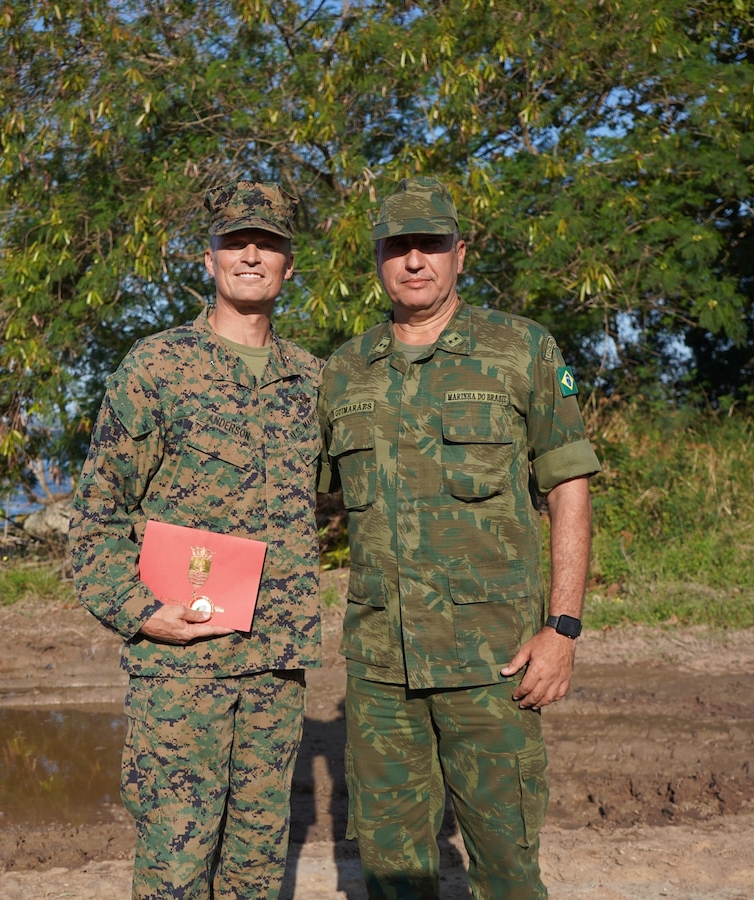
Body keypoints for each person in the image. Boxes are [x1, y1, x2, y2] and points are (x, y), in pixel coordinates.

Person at [318, 176, 601, 899]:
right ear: (376, 258)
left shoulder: (520, 349)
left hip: (493, 663)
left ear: (459, 254)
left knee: (507, 871)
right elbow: (297, 502)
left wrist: (561, 628)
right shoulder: (343, 372)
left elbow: (567, 486)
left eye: (430, 245)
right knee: (389, 876)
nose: (414, 261)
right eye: (397, 247)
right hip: (381, 672)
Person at [69, 180, 323, 900]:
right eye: (234, 242)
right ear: (205, 260)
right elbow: (95, 518)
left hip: (275, 669)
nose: (250, 254)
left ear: (287, 266)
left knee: (254, 872)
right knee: (175, 871)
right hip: (181, 672)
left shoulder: (312, 381)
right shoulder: (156, 367)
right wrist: (137, 609)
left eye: (268, 243)